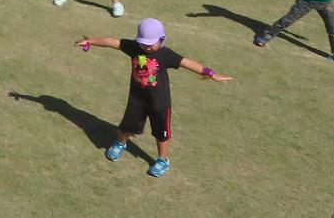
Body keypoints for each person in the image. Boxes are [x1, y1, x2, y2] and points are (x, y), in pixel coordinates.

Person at [75, 18, 230, 178]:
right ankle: (120, 143)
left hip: (160, 103)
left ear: (162, 39)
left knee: (161, 133)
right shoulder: (134, 47)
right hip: (137, 99)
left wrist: (211, 73)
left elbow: (187, 63)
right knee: (126, 126)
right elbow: (112, 42)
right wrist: (90, 41)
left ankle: (162, 160)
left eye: (151, 43)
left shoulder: (165, 54)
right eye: (144, 43)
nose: (147, 46)